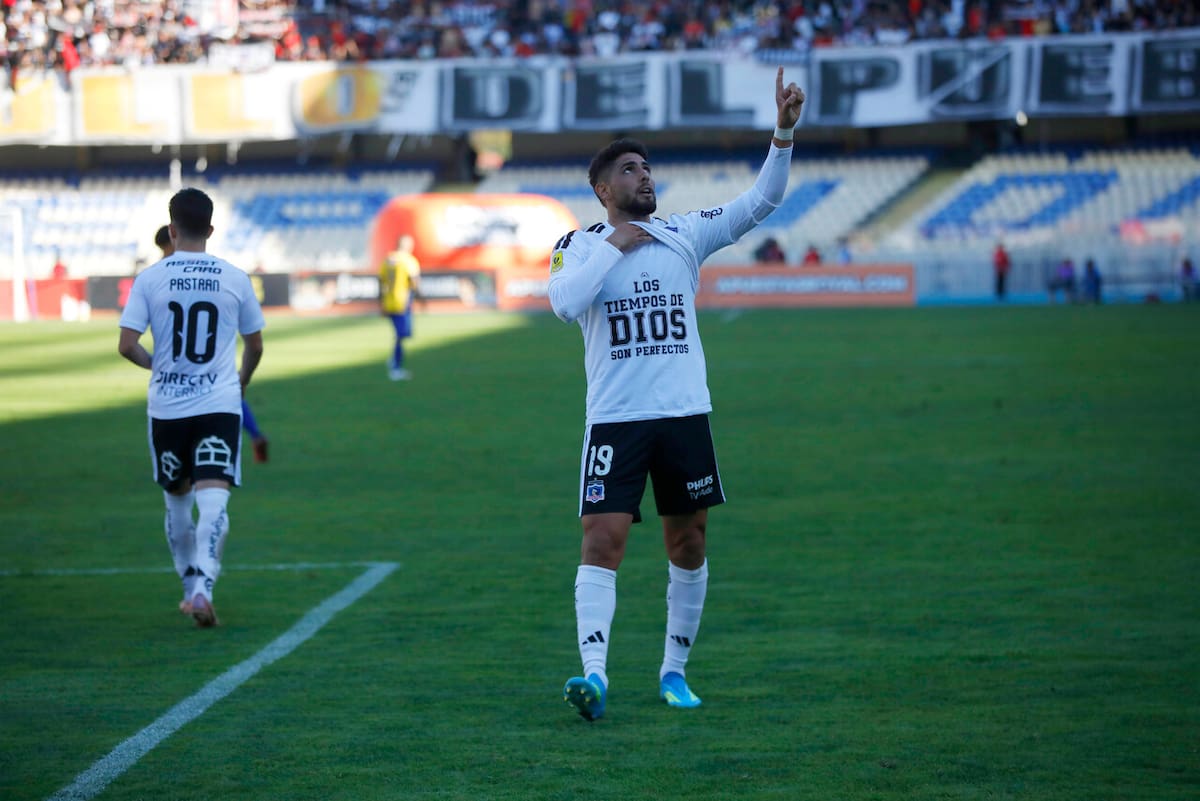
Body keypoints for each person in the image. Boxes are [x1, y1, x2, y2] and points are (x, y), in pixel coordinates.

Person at [547, 67, 805, 721]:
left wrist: (782, 132)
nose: (645, 177)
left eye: (648, 168)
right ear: (605, 189)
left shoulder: (684, 233)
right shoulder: (576, 246)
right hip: (616, 420)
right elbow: (562, 303)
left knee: (687, 543)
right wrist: (615, 247)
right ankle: (596, 676)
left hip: (685, 415)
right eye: (631, 170)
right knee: (601, 538)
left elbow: (760, 202)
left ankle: (673, 671)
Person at [120, 190, 265, 627]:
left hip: (167, 407)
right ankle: (204, 587)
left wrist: (156, 366)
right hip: (219, 405)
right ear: (212, 230)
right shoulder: (235, 277)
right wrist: (238, 383)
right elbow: (255, 346)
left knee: (178, 502)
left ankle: (188, 588)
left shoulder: (150, 279)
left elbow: (127, 345)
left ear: (172, 230)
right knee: (215, 500)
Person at [155, 225, 270, 462]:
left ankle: (195, 462)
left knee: (197, 406)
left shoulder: (168, 274)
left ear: (173, 239)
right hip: (212, 350)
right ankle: (254, 436)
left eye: (165, 249)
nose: (165, 254)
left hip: (187, 357)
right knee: (230, 392)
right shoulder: (212, 272)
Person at [379, 233, 422, 380]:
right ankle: (395, 367)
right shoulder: (408, 260)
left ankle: (393, 360)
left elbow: (381, 281)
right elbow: (414, 281)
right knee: (402, 334)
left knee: (401, 334)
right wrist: (420, 298)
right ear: (407, 245)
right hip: (402, 302)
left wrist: (381, 302)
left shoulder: (388, 259)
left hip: (389, 302)